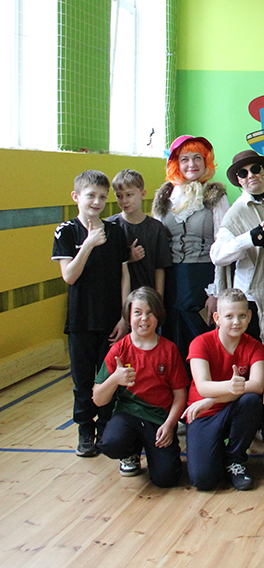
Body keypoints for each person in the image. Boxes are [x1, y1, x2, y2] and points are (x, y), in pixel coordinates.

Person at [53, 170, 131, 458]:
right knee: (83, 380)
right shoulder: (66, 231)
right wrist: (87, 244)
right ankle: (85, 429)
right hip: (81, 321)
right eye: (91, 196)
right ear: (76, 197)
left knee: (109, 377)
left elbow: (124, 276)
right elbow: (69, 276)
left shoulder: (115, 231)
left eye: (102, 197)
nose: (97, 202)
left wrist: (124, 317)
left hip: (111, 320)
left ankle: (105, 426)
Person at [210, 150, 264, 375]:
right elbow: (217, 255)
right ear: (239, 179)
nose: (251, 175)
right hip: (254, 297)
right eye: (243, 172)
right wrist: (247, 239)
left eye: (255, 169)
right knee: (257, 357)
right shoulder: (235, 213)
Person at [93, 288, 187, 486]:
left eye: (150, 312)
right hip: (128, 415)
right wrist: (114, 379)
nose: (144, 318)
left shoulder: (169, 349)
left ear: (158, 315)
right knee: (111, 443)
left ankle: (156, 453)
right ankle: (130, 453)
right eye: (138, 312)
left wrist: (170, 425)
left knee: (166, 478)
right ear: (129, 316)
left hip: (158, 419)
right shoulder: (119, 350)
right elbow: (98, 399)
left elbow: (180, 395)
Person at [152, 136, 229, 359]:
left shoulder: (215, 195)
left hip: (202, 277)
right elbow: (156, 241)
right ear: (177, 164)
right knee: (170, 335)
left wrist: (216, 292)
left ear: (206, 162)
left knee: (200, 337)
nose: (191, 164)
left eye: (197, 158)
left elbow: (223, 245)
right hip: (170, 278)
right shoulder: (165, 196)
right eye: (184, 159)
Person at [182, 289, 264, 491]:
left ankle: (234, 460)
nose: (236, 322)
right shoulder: (200, 343)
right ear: (217, 318)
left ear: (249, 317)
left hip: (227, 408)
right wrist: (229, 387)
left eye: (241, 315)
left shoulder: (255, 347)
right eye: (229, 316)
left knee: (251, 401)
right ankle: (217, 450)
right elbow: (203, 387)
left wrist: (213, 399)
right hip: (203, 414)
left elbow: (257, 385)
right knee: (204, 480)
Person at [109, 169, 171, 298]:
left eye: (129, 195)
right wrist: (128, 258)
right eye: (119, 196)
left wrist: (158, 300)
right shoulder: (110, 226)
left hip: (147, 297)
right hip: (116, 297)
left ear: (143, 194)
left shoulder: (156, 228)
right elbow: (105, 265)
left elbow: (160, 269)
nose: (124, 201)